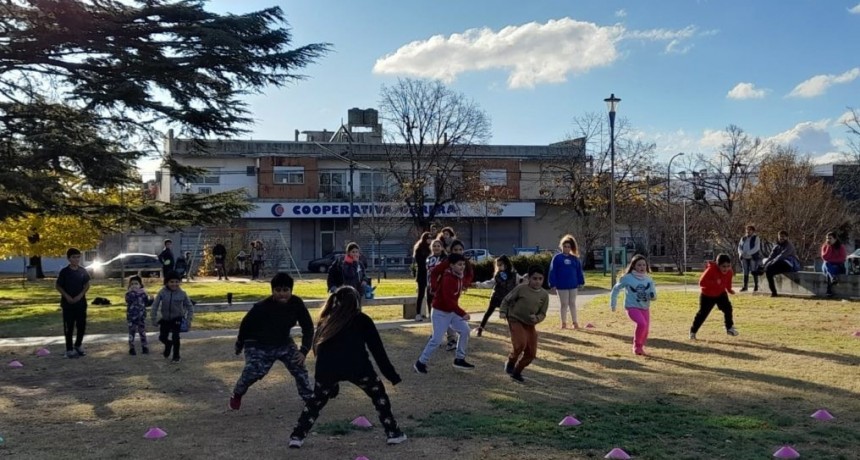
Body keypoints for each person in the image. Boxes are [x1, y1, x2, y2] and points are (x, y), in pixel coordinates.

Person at [288, 286, 407, 448]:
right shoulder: (362, 320)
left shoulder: (326, 320)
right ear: (357, 302)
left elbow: (319, 350)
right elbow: (378, 351)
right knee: (379, 396)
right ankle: (393, 433)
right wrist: (392, 375)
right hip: (358, 367)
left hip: (327, 369)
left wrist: (328, 383)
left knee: (315, 403)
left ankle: (297, 436)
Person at [229, 272, 314, 410]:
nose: (282, 294)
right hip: (258, 343)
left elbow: (308, 327)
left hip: (283, 342)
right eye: (278, 290)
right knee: (255, 371)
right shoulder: (261, 307)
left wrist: (304, 350)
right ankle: (237, 394)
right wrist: (239, 344)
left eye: (286, 290)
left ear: (291, 291)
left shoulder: (297, 303)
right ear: (272, 291)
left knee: (299, 367)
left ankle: (309, 399)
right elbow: (245, 325)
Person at [414, 253, 475, 373]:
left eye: (463, 264)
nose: (462, 267)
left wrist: (468, 274)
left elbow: (469, 275)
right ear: (451, 265)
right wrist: (462, 313)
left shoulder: (459, 276)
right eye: (459, 264)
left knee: (465, 330)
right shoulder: (448, 278)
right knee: (436, 340)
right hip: (440, 312)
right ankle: (420, 362)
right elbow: (448, 301)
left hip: (452, 312)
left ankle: (459, 359)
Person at [499, 265, 549, 383]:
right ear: (529, 278)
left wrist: (536, 318)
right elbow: (507, 300)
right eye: (534, 278)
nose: (537, 281)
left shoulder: (544, 295)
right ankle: (511, 361)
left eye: (540, 279)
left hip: (529, 324)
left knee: (531, 353)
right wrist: (502, 311)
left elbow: (543, 313)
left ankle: (517, 372)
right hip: (515, 319)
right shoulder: (521, 288)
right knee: (520, 344)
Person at [430, 239, 474, 350]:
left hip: (455, 293)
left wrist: (465, 283)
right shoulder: (448, 261)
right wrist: (434, 287)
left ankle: (450, 338)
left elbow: (469, 274)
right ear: (451, 251)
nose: (458, 252)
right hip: (444, 292)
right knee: (446, 311)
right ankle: (441, 336)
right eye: (455, 250)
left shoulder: (465, 262)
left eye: (460, 249)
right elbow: (435, 272)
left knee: (452, 311)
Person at [609, 254, 657, 356]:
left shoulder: (649, 279)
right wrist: (613, 303)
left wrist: (652, 296)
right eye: (639, 265)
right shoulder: (627, 278)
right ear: (633, 266)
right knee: (642, 324)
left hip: (645, 308)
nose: (642, 267)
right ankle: (637, 347)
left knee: (646, 330)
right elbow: (615, 289)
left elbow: (654, 295)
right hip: (632, 308)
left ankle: (641, 347)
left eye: (644, 265)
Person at [689, 254, 738, 340]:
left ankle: (729, 328)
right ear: (718, 265)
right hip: (707, 295)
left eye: (728, 266)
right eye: (723, 266)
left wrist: (729, 290)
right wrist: (715, 283)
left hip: (720, 293)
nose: (726, 269)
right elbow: (701, 282)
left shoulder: (730, 272)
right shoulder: (711, 269)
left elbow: (727, 282)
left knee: (728, 308)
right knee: (703, 314)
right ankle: (693, 332)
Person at [150, 271, 194, 363]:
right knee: (162, 337)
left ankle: (176, 356)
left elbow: (190, 306)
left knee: (175, 337)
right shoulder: (162, 292)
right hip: (165, 319)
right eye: (172, 282)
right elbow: (155, 305)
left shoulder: (182, 293)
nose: (174, 284)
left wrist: (189, 319)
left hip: (177, 318)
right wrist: (153, 318)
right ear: (167, 282)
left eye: (176, 282)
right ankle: (168, 344)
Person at [55, 248, 91, 359]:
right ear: (69, 258)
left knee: (81, 326)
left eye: (78, 257)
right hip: (68, 305)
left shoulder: (82, 271)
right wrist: (67, 296)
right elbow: (58, 286)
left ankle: (78, 345)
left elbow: (87, 284)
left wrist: (80, 296)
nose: (76, 259)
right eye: (73, 257)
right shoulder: (64, 272)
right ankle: (69, 349)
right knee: (69, 327)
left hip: (80, 304)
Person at [473, 255, 520, 337]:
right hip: (496, 297)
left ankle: (514, 333)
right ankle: (480, 329)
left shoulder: (514, 275)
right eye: (498, 265)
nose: (499, 267)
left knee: (509, 316)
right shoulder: (498, 275)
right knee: (488, 313)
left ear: (506, 264)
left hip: (508, 299)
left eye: (501, 264)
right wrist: (477, 285)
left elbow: (520, 282)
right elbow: (489, 283)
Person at [548, 234, 586, 329]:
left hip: (573, 285)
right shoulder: (557, 258)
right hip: (561, 286)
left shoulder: (575, 259)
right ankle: (564, 323)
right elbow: (553, 271)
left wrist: (581, 282)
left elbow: (579, 271)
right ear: (562, 247)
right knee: (564, 304)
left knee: (572, 303)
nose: (567, 248)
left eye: (569, 247)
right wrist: (552, 284)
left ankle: (575, 322)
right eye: (565, 246)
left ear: (571, 247)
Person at [763, 230, 800, 298]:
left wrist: (770, 263)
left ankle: (764, 269)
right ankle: (774, 292)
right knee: (768, 271)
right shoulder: (777, 245)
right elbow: (771, 256)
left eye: (783, 237)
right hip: (778, 263)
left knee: (776, 263)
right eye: (780, 236)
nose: (781, 238)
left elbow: (782, 256)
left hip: (789, 264)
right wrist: (766, 264)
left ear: (787, 237)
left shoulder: (789, 246)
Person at [125, 275, 150, 355]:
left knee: (142, 332)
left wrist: (150, 298)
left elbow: (146, 303)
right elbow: (128, 300)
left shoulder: (143, 293)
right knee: (131, 332)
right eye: (132, 284)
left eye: (136, 283)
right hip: (131, 317)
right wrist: (132, 291)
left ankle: (144, 347)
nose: (134, 285)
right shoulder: (129, 294)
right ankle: (131, 348)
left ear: (140, 285)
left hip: (141, 316)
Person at [412, 232, 433, 321]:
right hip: (422, 275)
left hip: (430, 276)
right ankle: (418, 314)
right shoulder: (419, 249)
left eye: (430, 238)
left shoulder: (432, 249)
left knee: (430, 296)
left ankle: (430, 314)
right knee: (420, 294)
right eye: (427, 238)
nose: (429, 240)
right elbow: (420, 263)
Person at [821, 232, 847, 297]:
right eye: (827, 238)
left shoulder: (841, 247)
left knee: (828, 270)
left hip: (837, 267)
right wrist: (829, 248)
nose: (828, 240)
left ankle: (829, 290)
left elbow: (842, 259)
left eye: (830, 238)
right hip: (827, 266)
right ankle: (833, 278)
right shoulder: (825, 246)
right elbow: (824, 257)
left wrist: (831, 261)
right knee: (827, 264)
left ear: (835, 239)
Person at [737, 225, 762, 292]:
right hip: (744, 257)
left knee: (753, 271)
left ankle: (756, 286)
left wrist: (748, 253)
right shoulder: (743, 238)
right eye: (747, 229)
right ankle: (745, 286)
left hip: (752, 257)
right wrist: (741, 253)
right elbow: (739, 247)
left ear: (753, 231)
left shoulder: (756, 238)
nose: (748, 231)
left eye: (750, 230)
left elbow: (756, 248)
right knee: (745, 271)